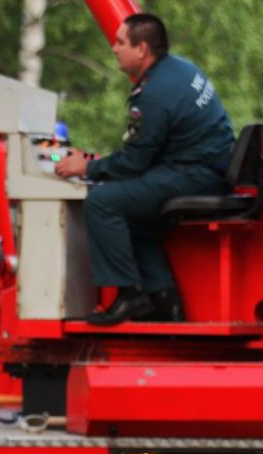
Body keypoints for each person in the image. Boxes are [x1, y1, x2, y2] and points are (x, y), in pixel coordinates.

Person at [54, 13, 235, 326]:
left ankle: (129, 294)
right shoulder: (180, 69)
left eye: (120, 42)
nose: (114, 48)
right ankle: (166, 303)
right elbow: (145, 153)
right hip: (206, 170)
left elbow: (133, 163)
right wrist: (95, 161)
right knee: (134, 216)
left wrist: (88, 167)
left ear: (141, 49)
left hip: (195, 176)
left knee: (102, 202)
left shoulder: (154, 94)